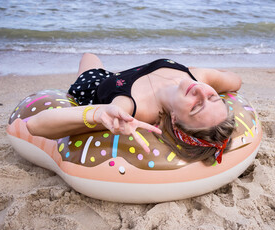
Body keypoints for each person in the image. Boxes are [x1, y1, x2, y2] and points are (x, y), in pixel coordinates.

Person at [27, 53, 242, 165]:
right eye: (213, 97)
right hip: (121, 76)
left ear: (175, 120)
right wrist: (206, 75)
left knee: (88, 57)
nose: (202, 93)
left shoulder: (132, 108)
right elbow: (236, 81)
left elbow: (35, 125)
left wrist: (99, 114)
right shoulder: (199, 78)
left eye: (196, 107)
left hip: (95, 84)